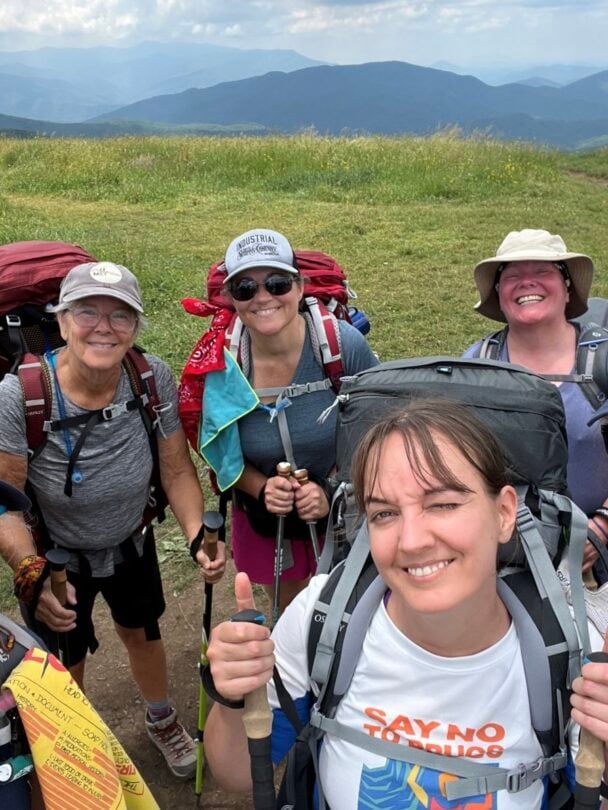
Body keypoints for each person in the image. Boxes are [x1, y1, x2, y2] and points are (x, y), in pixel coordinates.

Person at [203, 399, 608, 808]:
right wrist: (235, 694)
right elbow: (236, 772)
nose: (412, 541)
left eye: (443, 504)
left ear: (504, 513)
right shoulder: (323, 619)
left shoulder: (571, 651)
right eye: (384, 514)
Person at [0, 261, 226, 780]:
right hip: (54, 559)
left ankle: (160, 718)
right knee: (64, 656)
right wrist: (30, 570)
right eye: (87, 312)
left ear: (135, 326)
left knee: (143, 633)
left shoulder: (149, 377)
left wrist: (197, 537)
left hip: (131, 542)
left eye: (120, 315)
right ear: (61, 321)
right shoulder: (20, 396)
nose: (103, 327)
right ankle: (76, 742)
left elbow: (176, 468)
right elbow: (5, 501)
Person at [213, 228, 378, 611]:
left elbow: (378, 429)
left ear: (300, 287)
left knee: (351, 603)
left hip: (345, 504)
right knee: (290, 612)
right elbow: (218, 449)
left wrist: (332, 489)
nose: (263, 297)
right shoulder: (223, 360)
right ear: (231, 298)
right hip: (264, 516)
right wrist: (261, 488)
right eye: (245, 288)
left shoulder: (341, 346)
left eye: (277, 283)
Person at [463, 228, 608, 573]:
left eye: (543, 271)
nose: (527, 282)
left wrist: (601, 528)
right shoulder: (477, 364)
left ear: (567, 287)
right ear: (499, 294)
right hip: (506, 561)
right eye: (512, 276)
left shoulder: (603, 359)